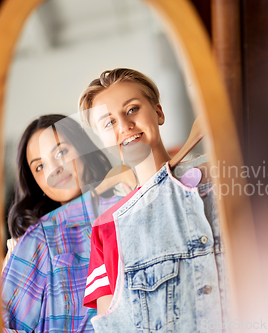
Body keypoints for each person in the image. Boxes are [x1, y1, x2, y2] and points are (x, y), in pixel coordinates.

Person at [79, 68, 228, 332]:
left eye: (132, 109)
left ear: (158, 112)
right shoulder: (108, 227)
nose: (124, 126)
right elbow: (111, 320)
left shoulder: (220, 177)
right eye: (109, 122)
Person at [1, 114, 122, 332]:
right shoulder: (40, 239)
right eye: (40, 167)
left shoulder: (127, 209)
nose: (55, 168)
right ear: (35, 182)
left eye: (61, 152)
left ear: (83, 148)